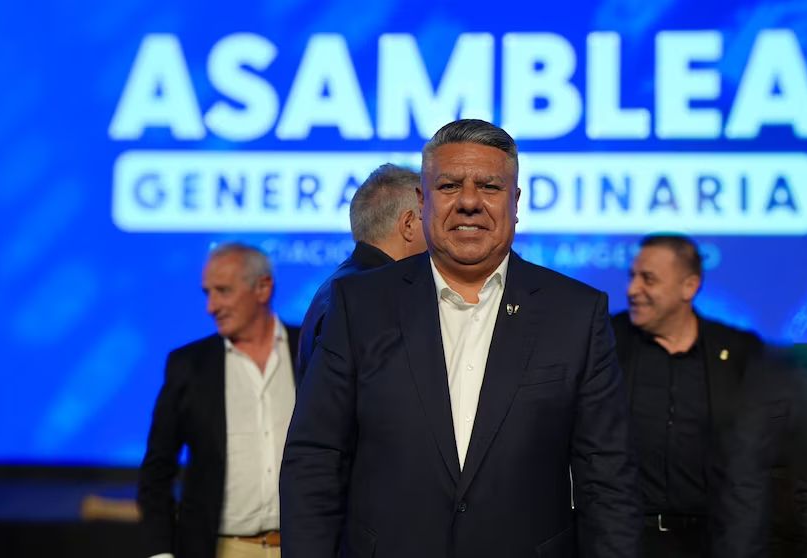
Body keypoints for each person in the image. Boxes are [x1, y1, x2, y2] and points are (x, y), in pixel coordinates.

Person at [280, 119, 642, 558]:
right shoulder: (360, 305)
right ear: (422, 201)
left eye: (489, 186)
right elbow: (316, 460)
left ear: (515, 202)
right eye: (450, 186)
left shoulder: (576, 313)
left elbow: (607, 481)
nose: (469, 202)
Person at [611, 234, 769, 558]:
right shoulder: (606, 342)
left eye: (648, 279)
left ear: (689, 287)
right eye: (632, 276)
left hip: (714, 543)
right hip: (626, 542)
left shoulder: (740, 353)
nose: (632, 290)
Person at [138, 243, 300, 558]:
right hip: (224, 549)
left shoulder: (313, 348)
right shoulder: (189, 366)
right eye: (207, 293)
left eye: (223, 291)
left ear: (263, 288)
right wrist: (161, 553)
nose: (211, 307)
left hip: (306, 547)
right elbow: (157, 471)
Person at [296, 163, 426, 378]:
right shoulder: (370, 299)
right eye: (431, 217)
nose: (440, 231)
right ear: (409, 224)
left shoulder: (336, 287)